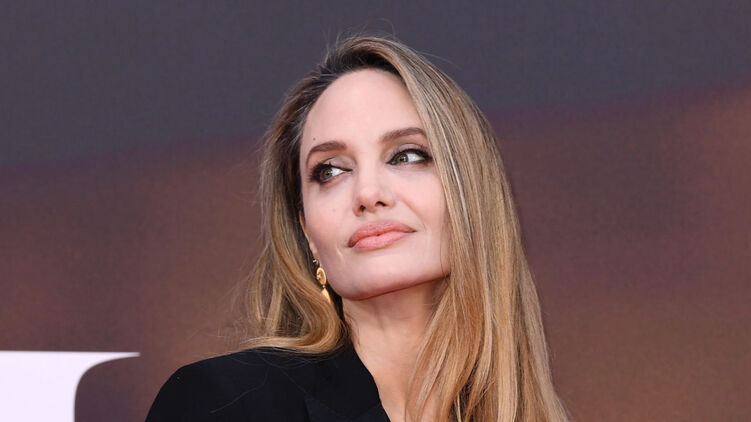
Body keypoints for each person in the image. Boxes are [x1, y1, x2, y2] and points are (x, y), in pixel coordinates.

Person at [146, 35, 570, 422]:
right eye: (330, 171)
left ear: (472, 191)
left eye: (406, 156)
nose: (367, 193)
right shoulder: (223, 403)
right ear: (307, 232)